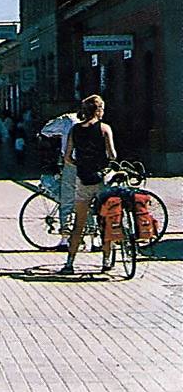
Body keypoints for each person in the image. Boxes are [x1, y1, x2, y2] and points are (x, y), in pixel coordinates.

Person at [58, 95, 117, 275]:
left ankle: (70, 263)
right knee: (106, 221)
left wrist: (80, 164)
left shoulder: (75, 130)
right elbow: (113, 154)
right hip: (102, 180)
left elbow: (67, 157)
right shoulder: (105, 128)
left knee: (79, 223)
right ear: (99, 110)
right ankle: (106, 261)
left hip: (83, 179)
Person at [39, 110, 80, 250]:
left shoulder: (68, 119)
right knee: (88, 199)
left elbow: (46, 130)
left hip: (72, 164)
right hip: (92, 165)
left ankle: (65, 239)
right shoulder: (99, 124)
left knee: (67, 200)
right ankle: (94, 239)